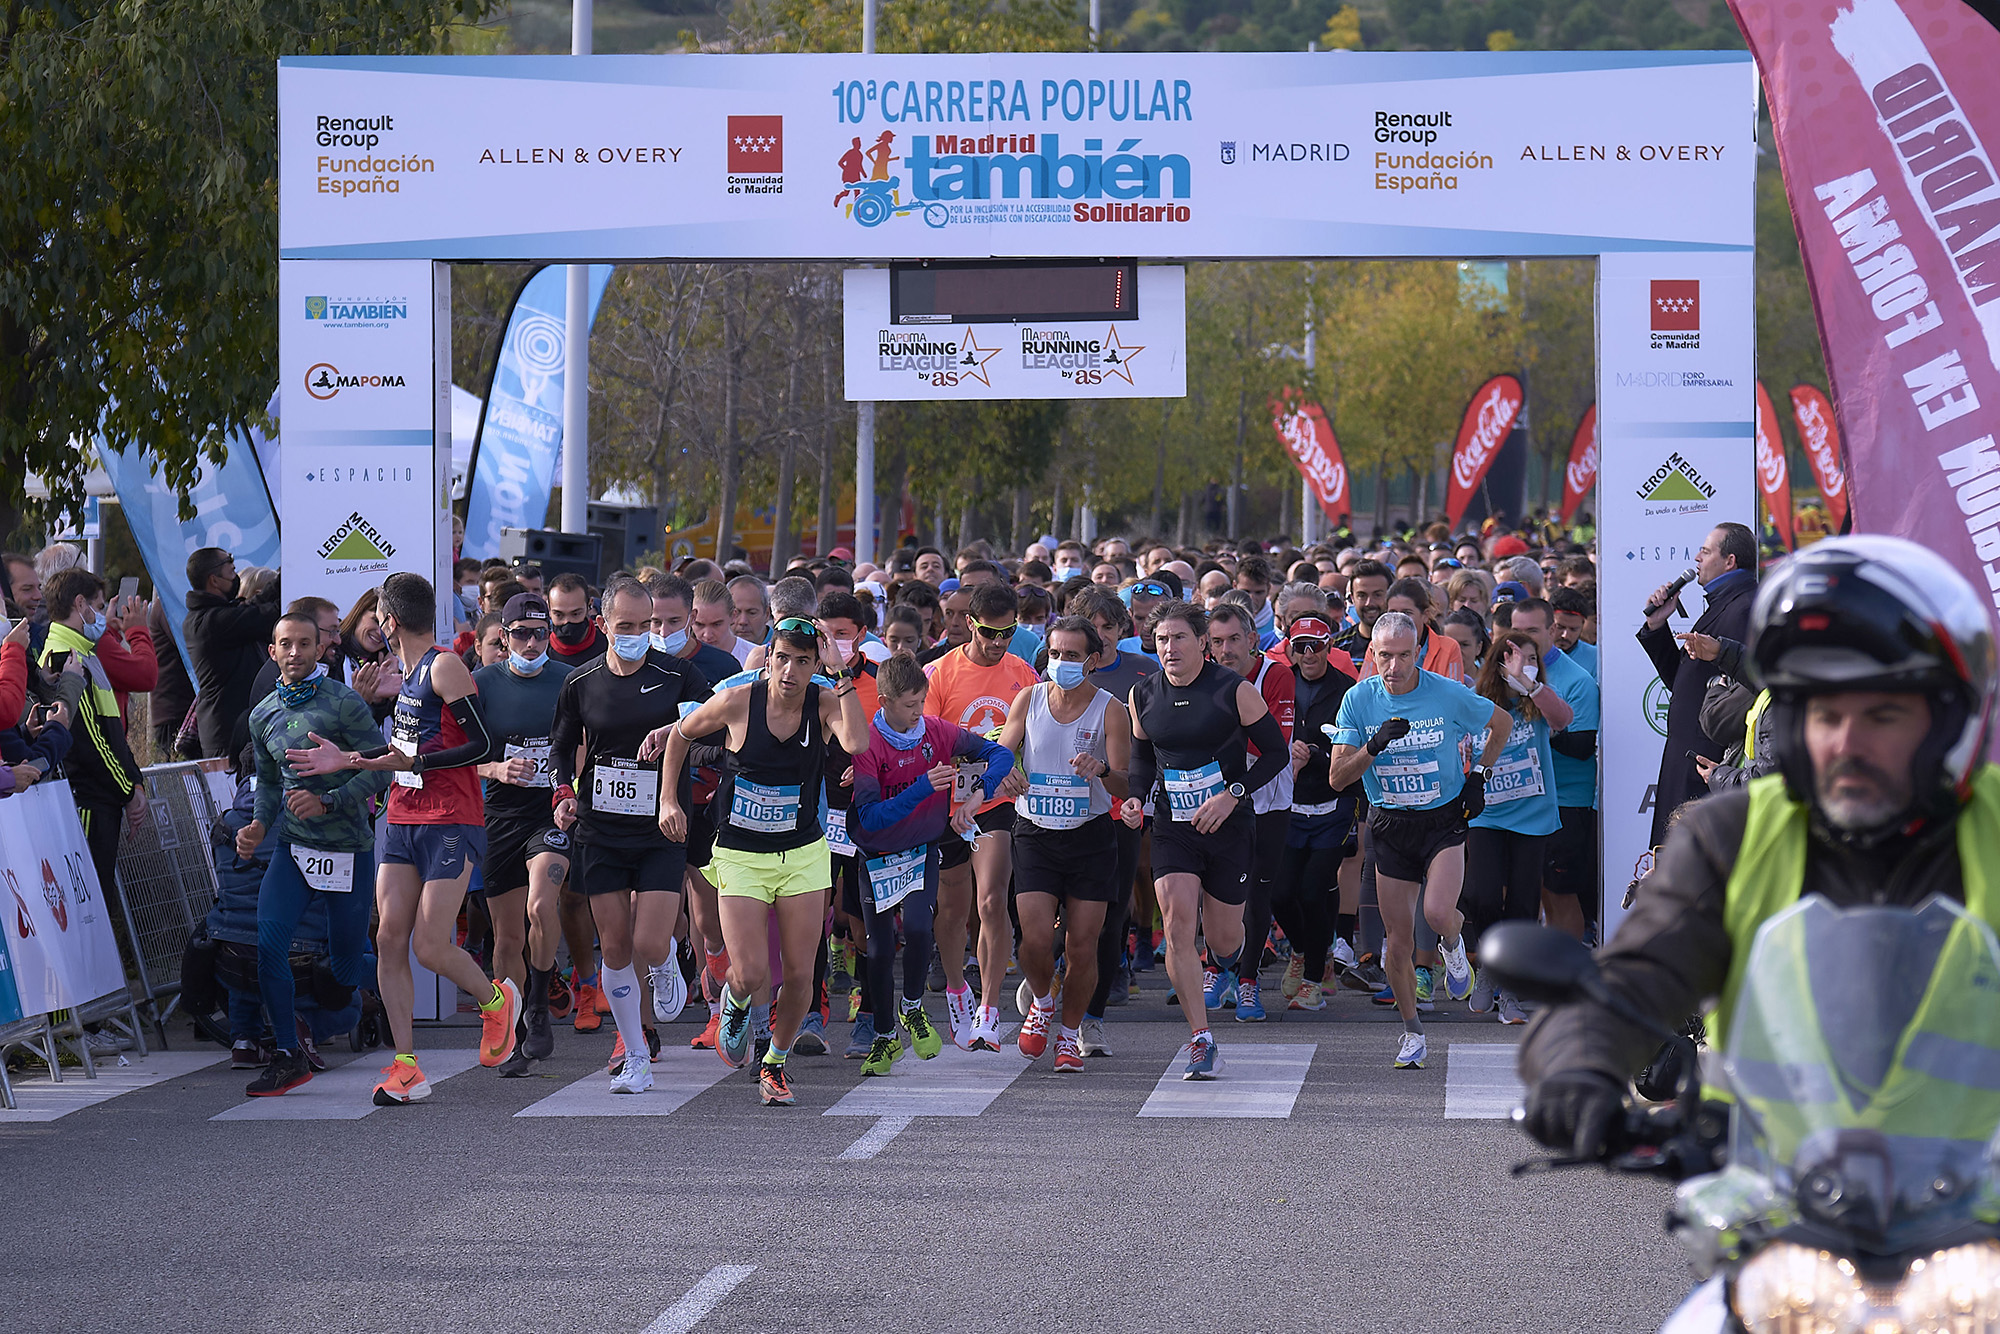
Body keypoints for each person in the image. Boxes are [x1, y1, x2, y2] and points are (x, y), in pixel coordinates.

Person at [1521, 536, 2000, 1159]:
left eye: (1882, 714)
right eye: (1822, 713)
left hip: (1967, 1176)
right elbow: (1640, 969)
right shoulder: (1728, 835)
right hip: (1776, 1170)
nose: (1847, 741)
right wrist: (1578, 1058)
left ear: (1945, 719)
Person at [285, 572, 518, 1105]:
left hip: (451, 818)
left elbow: (482, 744)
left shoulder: (445, 665)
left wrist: (416, 761)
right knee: (389, 938)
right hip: (403, 814)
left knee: (430, 945)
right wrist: (348, 759)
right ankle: (407, 1065)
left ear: (389, 621)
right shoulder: (402, 673)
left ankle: (495, 1001)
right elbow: (400, 753)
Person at [658, 617, 869, 1105]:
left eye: (803, 661)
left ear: (815, 665)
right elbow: (679, 736)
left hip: (802, 853)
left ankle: (774, 1064)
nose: (790, 671)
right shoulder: (738, 702)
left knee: (799, 975)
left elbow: (857, 743)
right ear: (768, 658)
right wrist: (670, 800)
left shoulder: (823, 703)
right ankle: (733, 999)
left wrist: (841, 674)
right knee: (751, 973)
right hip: (740, 854)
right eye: (782, 659)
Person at [547, 575, 711, 1093]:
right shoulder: (581, 682)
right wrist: (562, 794)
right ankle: (635, 1054)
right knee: (614, 948)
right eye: (627, 626)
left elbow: (715, 725)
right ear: (603, 625)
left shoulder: (678, 675)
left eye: (647, 624)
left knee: (648, 937)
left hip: (663, 822)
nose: (640, 634)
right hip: (600, 826)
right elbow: (560, 748)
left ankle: (666, 963)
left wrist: (677, 732)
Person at [1327, 611, 1511, 1070]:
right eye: (1384, 656)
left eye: (1404, 656)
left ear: (1419, 653)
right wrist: (1372, 747)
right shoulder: (1358, 700)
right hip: (1390, 824)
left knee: (1436, 911)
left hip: (1443, 819)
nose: (1394, 667)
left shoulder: (1446, 693)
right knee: (1399, 941)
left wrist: (1480, 777)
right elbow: (1336, 778)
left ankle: (1452, 941)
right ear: (1372, 653)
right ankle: (1412, 1033)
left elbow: (1502, 723)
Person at [1121, 601, 1289, 1079]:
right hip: (1174, 826)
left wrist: (1231, 796)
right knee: (1176, 924)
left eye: (1178, 639)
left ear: (1201, 644)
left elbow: (1275, 753)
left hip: (1229, 827)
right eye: (1160, 640)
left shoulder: (1233, 691)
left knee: (1223, 937)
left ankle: (1227, 962)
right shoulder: (1143, 695)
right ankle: (1200, 1036)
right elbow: (1140, 759)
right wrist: (1135, 799)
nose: (1169, 649)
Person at [235, 613, 388, 1096]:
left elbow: (383, 769)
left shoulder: (344, 702)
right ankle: (287, 1054)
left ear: (321, 649)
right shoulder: (262, 715)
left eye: (305, 643)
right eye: (286, 644)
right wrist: (258, 825)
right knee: (269, 945)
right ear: (273, 651)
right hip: (294, 849)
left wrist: (330, 800)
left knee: (343, 968)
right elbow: (268, 783)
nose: (296, 652)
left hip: (348, 848)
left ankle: (395, 979)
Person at [995, 616, 1131, 1070]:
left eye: (1072, 655)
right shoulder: (1028, 699)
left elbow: (1127, 785)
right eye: (1055, 654)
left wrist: (1103, 771)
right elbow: (999, 751)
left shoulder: (1111, 708)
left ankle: (1069, 1036)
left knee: (1081, 946)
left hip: (1090, 836)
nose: (1061, 662)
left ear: (1092, 661)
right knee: (1032, 940)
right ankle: (1041, 1001)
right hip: (1035, 832)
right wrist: (1006, 770)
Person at [922, 580, 1041, 1050]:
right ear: (969, 624)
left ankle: (990, 1007)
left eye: (1007, 633)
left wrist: (1015, 770)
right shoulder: (938, 673)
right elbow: (927, 743)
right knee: (952, 910)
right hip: (948, 803)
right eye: (989, 633)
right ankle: (957, 988)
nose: (997, 643)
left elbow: (1037, 740)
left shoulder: (1024, 674)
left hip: (996, 805)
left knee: (992, 900)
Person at [470, 593, 578, 1075]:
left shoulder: (568, 680)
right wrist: (495, 767)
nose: (531, 644)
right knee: (507, 934)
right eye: (520, 635)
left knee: (541, 904)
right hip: (498, 817)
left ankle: (538, 1003)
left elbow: (587, 743)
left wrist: (570, 787)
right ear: (503, 637)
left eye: (540, 633)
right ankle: (512, 1031)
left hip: (548, 815)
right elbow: (456, 757)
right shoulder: (481, 684)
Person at [1460, 630, 1571, 1025]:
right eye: (1514, 657)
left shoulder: (1537, 699)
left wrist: (1531, 684)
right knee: (1481, 893)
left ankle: (1512, 987)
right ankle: (1491, 962)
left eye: (1530, 657)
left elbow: (1564, 720)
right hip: (1487, 813)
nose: (1522, 663)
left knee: (1524, 901)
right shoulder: (1477, 700)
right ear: (1496, 661)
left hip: (1533, 814)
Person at [37, 569, 144, 943]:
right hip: (84, 800)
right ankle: (72, 1003)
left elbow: (112, 728)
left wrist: (136, 781)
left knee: (94, 905)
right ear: (79, 605)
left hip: (102, 797)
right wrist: (129, 790)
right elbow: (88, 742)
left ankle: (96, 995)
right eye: (98, 607)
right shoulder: (61, 657)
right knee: (80, 910)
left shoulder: (84, 652)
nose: (103, 616)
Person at [1638, 522, 1758, 845]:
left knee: (1695, 869)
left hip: (1707, 762)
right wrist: (1657, 625)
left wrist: (1721, 767)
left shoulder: (1743, 608)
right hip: (1692, 758)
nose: (1696, 558)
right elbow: (1685, 684)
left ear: (1730, 561)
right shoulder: (1723, 604)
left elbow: (1744, 692)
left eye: (1705, 551)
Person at [1204, 602, 1294, 1022]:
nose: (1226, 650)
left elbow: (1268, 745)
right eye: (1217, 642)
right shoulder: (1198, 677)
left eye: (1234, 640)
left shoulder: (1275, 674)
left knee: (1258, 892)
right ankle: (1214, 968)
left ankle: (1248, 981)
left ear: (1252, 640)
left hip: (1267, 799)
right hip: (1212, 799)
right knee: (1214, 889)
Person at [1274, 614, 1364, 1012]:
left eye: (1317, 646)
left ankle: (1313, 978)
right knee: (1280, 892)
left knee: (1313, 890)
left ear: (1331, 647)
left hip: (1335, 801)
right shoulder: (1279, 682)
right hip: (1289, 803)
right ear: (1289, 648)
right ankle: (1301, 949)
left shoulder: (1348, 691)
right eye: (1300, 646)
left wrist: (1316, 754)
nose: (1308, 654)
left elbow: (1357, 748)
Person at [1511, 598, 1600, 940]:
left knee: (1560, 895)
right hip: (1518, 800)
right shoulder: (1502, 671)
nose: (1522, 639)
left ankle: (1566, 980)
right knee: (1528, 895)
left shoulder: (1576, 680)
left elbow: (1580, 747)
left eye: (1531, 631)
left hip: (1565, 800)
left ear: (1551, 630)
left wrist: (1537, 729)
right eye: (1516, 631)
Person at [184, 547, 284, 758]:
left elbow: (254, 606)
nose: (236, 578)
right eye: (231, 573)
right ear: (214, 580)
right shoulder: (210, 622)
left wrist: (284, 577)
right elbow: (263, 614)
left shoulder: (216, 615)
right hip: (227, 735)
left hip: (234, 727)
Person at [1334, 559, 1392, 674]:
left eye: (1377, 595)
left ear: (1390, 595)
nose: (1369, 603)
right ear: (1352, 599)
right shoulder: (1337, 646)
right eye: (1362, 595)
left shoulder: (1406, 644)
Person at [546, 573, 605, 666]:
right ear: (549, 609)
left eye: (576, 614)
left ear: (590, 605)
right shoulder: (539, 652)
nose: (567, 621)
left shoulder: (609, 649)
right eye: (558, 615)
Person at [728, 575, 772, 648]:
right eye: (735, 613)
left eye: (752, 613)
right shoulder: (715, 647)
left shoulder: (784, 648)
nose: (743, 621)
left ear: (767, 614)